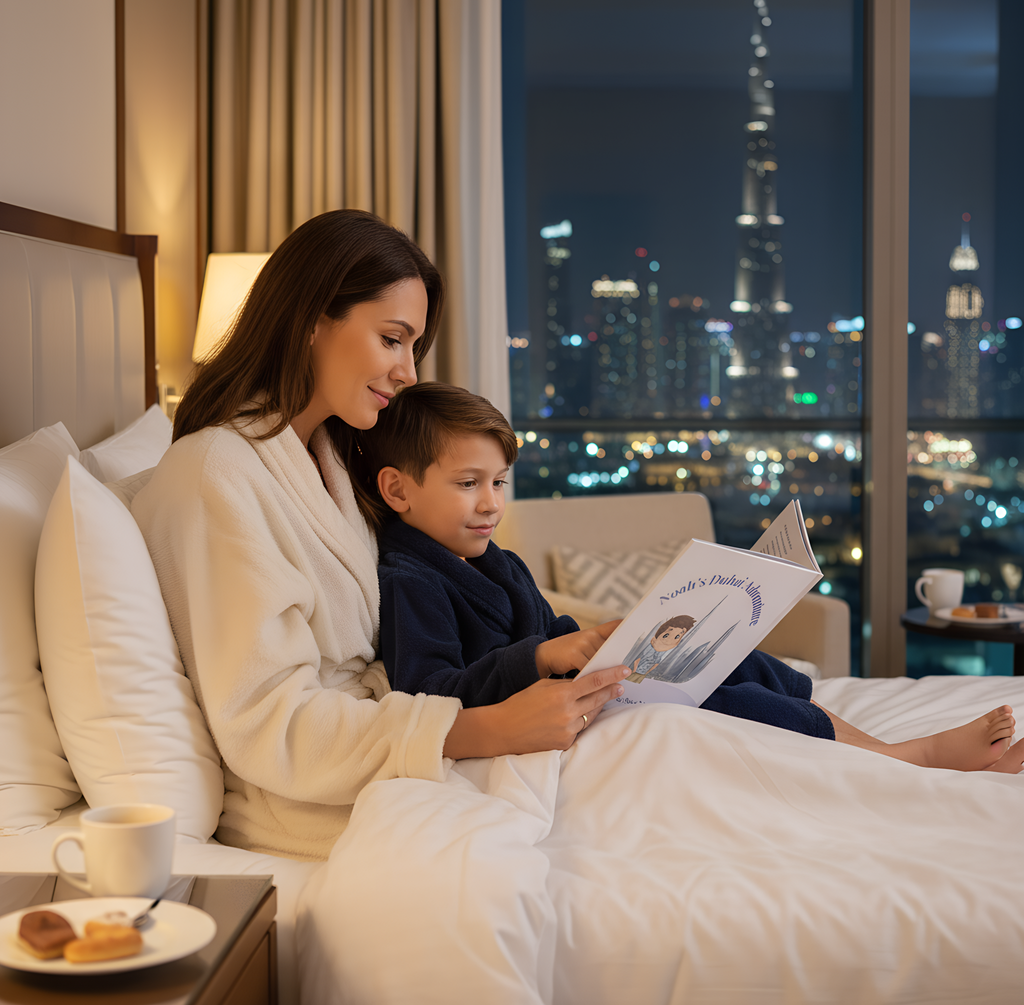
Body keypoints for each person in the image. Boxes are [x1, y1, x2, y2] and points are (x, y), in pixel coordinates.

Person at [131, 209, 627, 861]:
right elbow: (269, 725)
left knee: (662, 747)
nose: (409, 373)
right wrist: (484, 727)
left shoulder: (332, 458)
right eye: (393, 339)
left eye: (413, 347)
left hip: (404, 735)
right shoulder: (213, 476)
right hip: (321, 796)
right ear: (312, 318)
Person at [357, 381, 1024, 774]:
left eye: (499, 482)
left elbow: (546, 628)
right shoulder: (412, 578)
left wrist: (595, 638)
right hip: (554, 718)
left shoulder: (494, 560)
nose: (491, 503)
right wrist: (542, 655)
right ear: (398, 490)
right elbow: (430, 697)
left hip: (581, 683)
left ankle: (882, 745)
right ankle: (909, 760)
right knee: (724, 701)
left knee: (733, 657)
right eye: (467, 484)